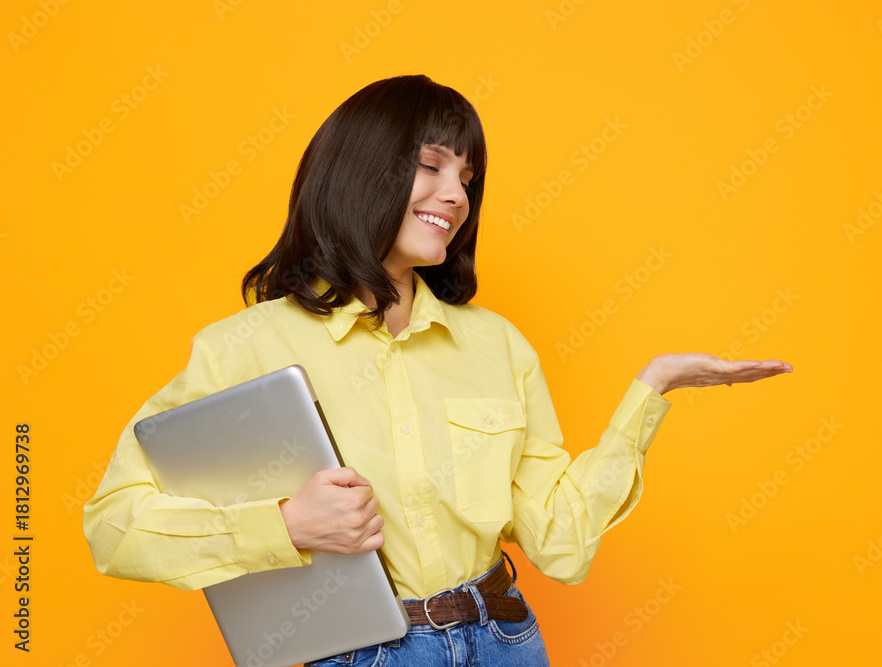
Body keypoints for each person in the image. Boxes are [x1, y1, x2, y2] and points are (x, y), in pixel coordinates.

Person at [83, 74, 792, 666]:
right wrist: (287, 524)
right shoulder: (243, 348)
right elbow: (114, 525)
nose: (457, 195)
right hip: (365, 653)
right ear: (361, 171)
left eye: (467, 178)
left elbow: (560, 542)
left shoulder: (497, 346)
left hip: (506, 639)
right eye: (432, 165)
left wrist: (652, 389)